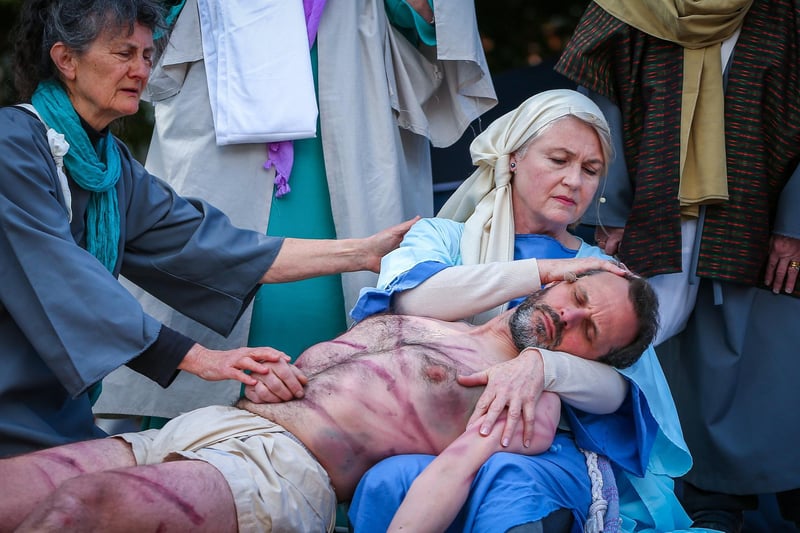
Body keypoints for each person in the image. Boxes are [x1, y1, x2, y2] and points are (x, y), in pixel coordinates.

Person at [0, 0, 415, 458]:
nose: (140, 70)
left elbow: (214, 246)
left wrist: (364, 253)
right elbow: (65, 282)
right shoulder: (11, 145)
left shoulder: (112, 166)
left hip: (59, 414)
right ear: (66, 60)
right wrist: (207, 359)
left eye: (146, 55)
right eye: (123, 54)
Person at [0, 266, 657, 532]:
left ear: (592, 360)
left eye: (588, 331)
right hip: (214, 422)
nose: (565, 318)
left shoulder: (526, 402)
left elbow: (451, 473)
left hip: (283, 475)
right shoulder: (438, 313)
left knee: (78, 511)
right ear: (561, 279)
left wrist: (541, 369)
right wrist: (278, 378)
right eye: (576, 297)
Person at [93, 0, 498, 422]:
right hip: (222, 75)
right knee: (200, 245)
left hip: (351, 70)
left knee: (352, 319)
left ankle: (352, 430)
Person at [348, 89, 694, 531]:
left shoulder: (600, 269)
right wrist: (540, 272)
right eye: (559, 160)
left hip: (544, 445)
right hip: (428, 428)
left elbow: (625, 391)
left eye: (591, 170)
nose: (574, 181)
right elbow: (413, 300)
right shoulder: (444, 237)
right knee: (388, 479)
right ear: (512, 156)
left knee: (507, 479)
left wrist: (541, 365)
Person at [554, 1, 800, 530]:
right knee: (661, 360)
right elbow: (598, 112)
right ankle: (701, 498)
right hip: (652, 220)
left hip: (764, 218)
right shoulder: (626, 8)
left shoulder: (785, 12)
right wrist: (609, 209)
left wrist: (796, 222)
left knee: (770, 364)